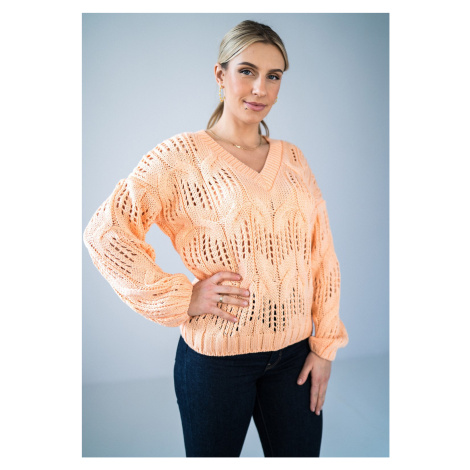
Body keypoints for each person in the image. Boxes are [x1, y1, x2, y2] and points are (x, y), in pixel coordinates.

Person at [83, 19, 348, 458]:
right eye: (247, 71)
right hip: (216, 363)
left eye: (273, 76)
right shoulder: (179, 158)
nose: (260, 88)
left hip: (295, 360)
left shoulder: (294, 159)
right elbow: (105, 232)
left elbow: (321, 254)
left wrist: (325, 347)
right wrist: (182, 297)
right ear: (220, 75)